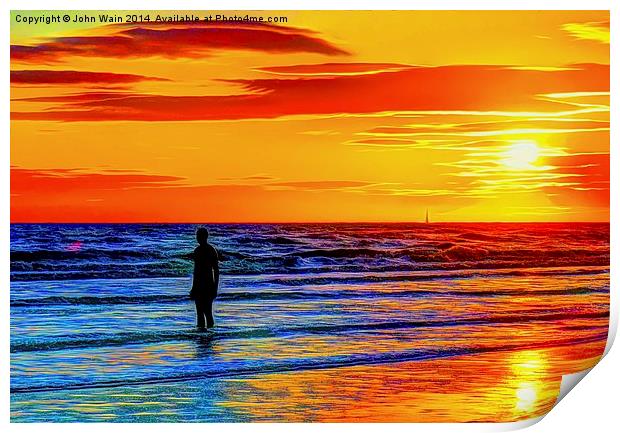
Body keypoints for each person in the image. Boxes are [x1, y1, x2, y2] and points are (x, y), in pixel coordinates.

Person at [189, 227, 219, 329]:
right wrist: (194, 287)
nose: (197, 238)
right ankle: (204, 334)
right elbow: (196, 271)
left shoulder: (209, 251)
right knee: (201, 312)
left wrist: (215, 288)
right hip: (203, 286)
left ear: (204, 237)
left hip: (206, 286)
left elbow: (216, 271)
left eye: (198, 236)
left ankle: (206, 334)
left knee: (206, 312)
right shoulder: (202, 250)